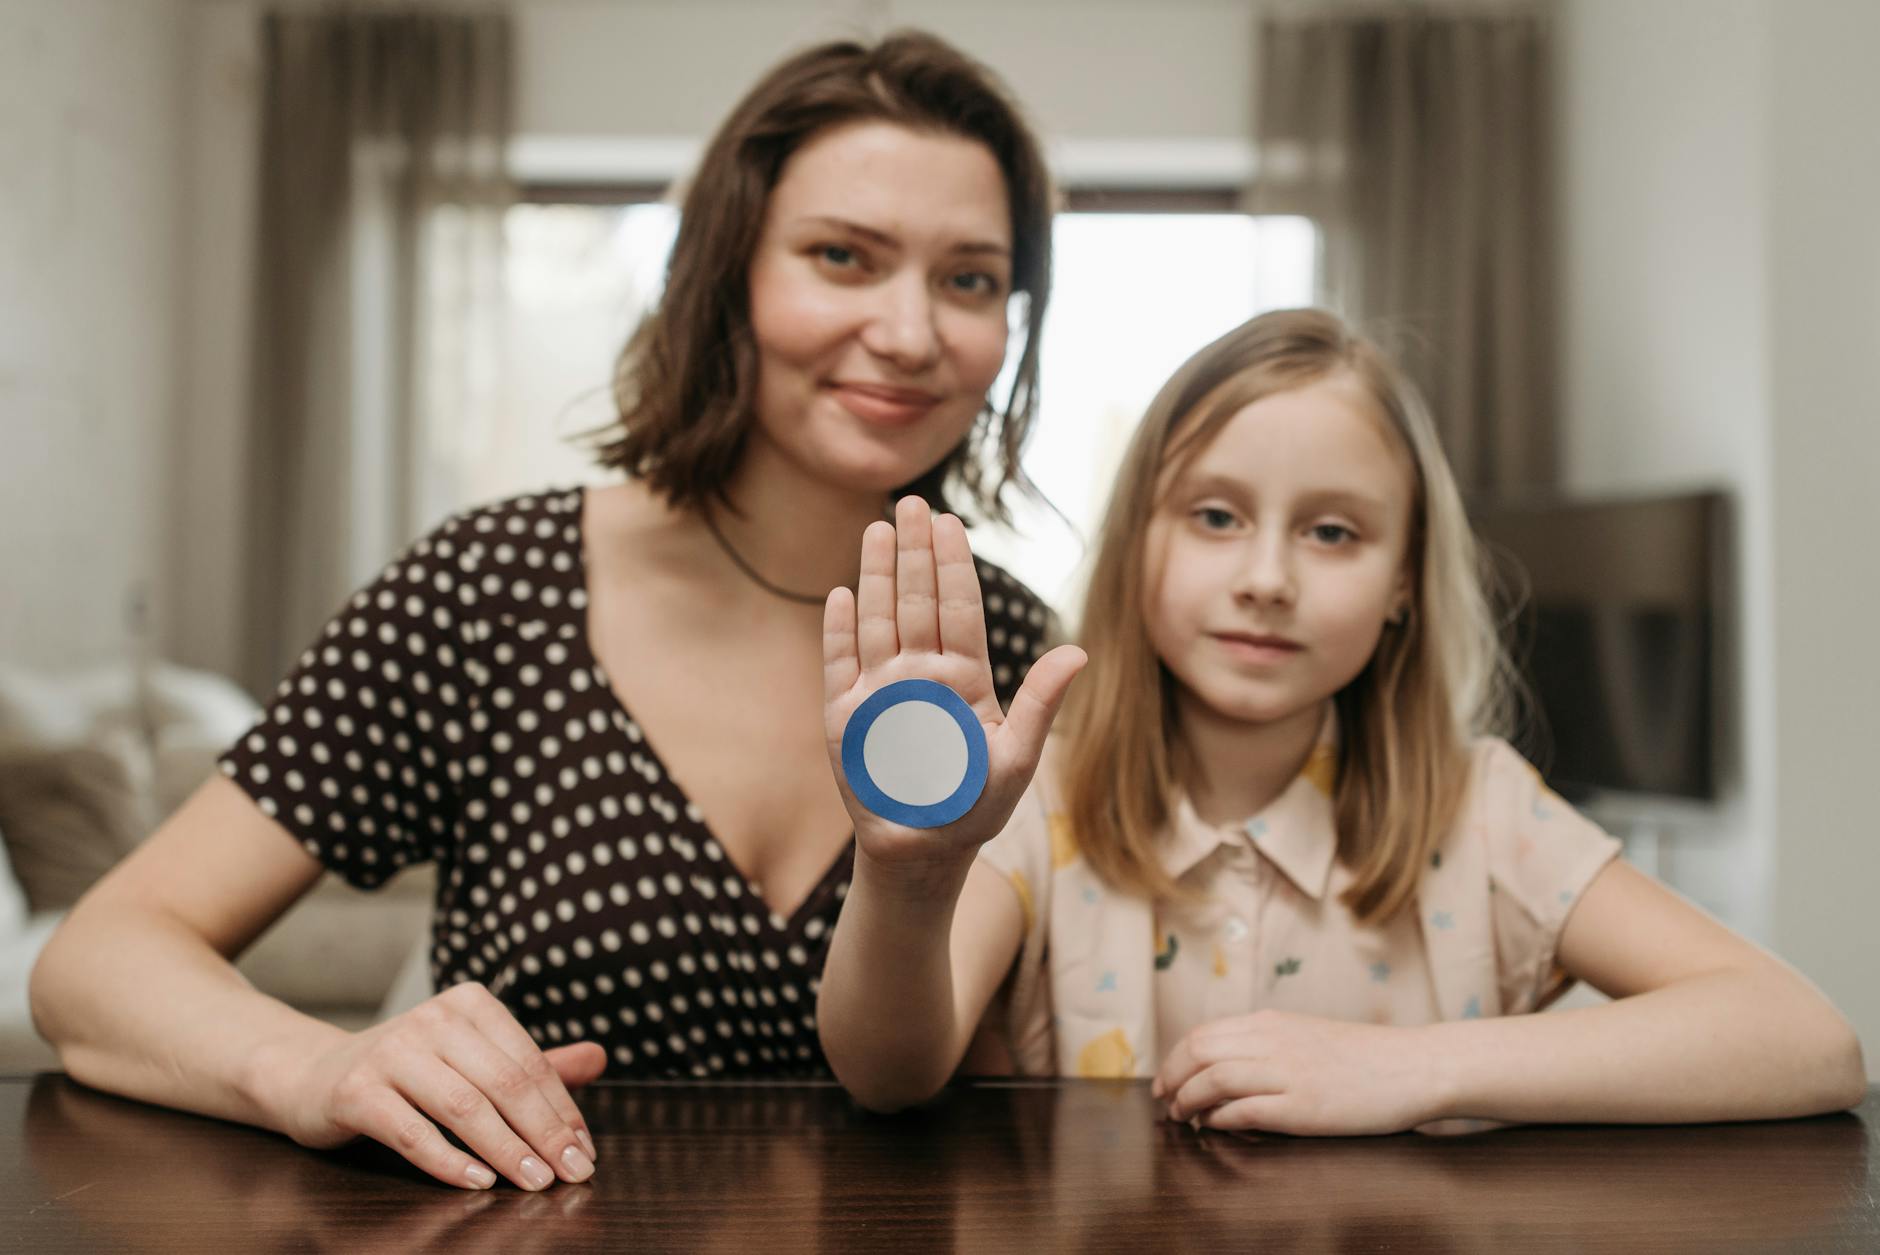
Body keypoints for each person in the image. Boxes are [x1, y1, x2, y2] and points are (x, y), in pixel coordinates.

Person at [30, 31, 1062, 1191]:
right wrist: (316, 1065)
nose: (913, 333)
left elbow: (928, 1066)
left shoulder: (1014, 658)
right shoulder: (490, 590)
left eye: (968, 278)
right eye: (841, 256)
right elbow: (97, 960)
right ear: (724, 277)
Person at [817, 308, 1866, 1130]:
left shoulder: (1480, 811)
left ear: (1401, 581)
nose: (1266, 578)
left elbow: (1805, 1039)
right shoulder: (1044, 800)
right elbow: (888, 1077)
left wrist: (1406, 1069)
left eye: (1330, 531)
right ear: (1140, 542)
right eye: (1215, 517)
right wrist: (910, 876)